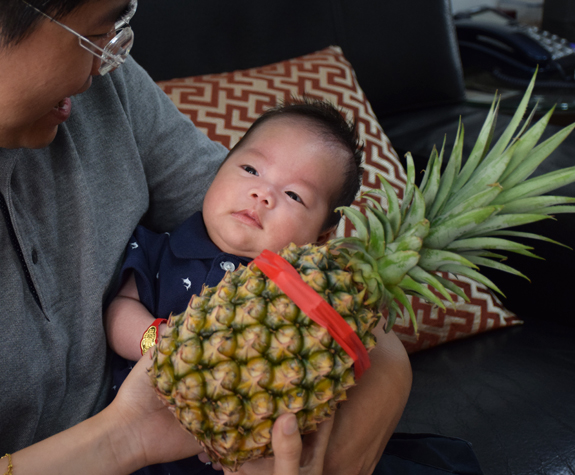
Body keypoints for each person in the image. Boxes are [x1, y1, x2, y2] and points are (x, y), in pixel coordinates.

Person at [0, 0, 412, 473]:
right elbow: (126, 318)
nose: (106, 61)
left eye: (113, 30)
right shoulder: (165, 253)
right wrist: (161, 352)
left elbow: (227, 200)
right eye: (92, 35)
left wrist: (383, 377)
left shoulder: (108, 87)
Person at [104, 99, 366, 473]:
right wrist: (160, 342)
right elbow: (118, 311)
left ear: (322, 238)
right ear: (217, 170)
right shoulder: (157, 247)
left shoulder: (295, 302)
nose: (263, 194)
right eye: (249, 168)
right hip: (130, 446)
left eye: (294, 195)